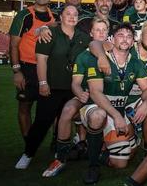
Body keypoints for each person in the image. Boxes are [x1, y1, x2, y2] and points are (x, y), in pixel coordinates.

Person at [15, 5, 91, 170]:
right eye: (68, 13)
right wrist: (43, 83)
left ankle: (61, 152)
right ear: (61, 17)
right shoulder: (50, 33)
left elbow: (96, 47)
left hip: (73, 88)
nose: (72, 17)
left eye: (75, 14)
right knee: (42, 121)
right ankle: (28, 152)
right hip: (53, 85)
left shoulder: (83, 37)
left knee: (65, 122)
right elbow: (41, 60)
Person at [80, 23, 147, 184]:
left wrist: (146, 102)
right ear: (112, 39)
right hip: (98, 107)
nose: (125, 39)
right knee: (98, 116)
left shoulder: (135, 63)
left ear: (133, 41)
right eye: (120, 35)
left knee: (123, 161)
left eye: (129, 36)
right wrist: (116, 116)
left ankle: (102, 149)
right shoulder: (100, 59)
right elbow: (95, 92)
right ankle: (93, 165)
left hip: (121, 109)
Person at [41, 17, 110, 177]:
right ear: (91, 32)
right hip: (87, 95)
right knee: (67, 109)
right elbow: (75, 83)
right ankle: (61, 157)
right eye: (97, 30)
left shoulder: (115, 50)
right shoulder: (83, 55)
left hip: (108, 97)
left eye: (104, 30)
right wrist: (79, 92)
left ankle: (99, 152)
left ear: (108, 32)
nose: (100, 33)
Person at [9, 0, 57, 140]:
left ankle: (55, 142)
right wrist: (17, 71)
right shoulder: (24, 15)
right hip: (27, 67)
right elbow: (13, 44)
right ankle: (28, 143)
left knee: (51, 108)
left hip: (48, 68)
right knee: (25, 105)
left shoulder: (55, 17)